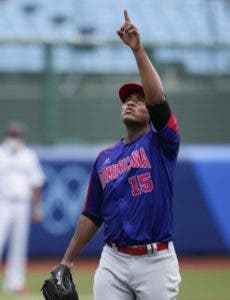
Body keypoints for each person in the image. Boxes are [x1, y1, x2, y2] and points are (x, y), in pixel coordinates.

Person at [61, 10, 181, 300]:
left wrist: (137, 49)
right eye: (127, 100)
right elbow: (91, 214)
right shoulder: (105, 157)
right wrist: (67, 260)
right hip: (113, 260)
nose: (131, 103)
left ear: (149, 111)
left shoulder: (163, 142)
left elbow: (158, 100)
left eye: (139, 100)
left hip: (156, 261)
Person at [0, 121, 45, 294]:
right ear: (7, 135)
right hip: (2, 202)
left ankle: (15, 283)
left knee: (19, 245)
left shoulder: (29, 155)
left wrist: (37, 207)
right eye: (12, 135)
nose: (14, 138)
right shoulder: (1, 153)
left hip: (22, 203)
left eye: (17, 135)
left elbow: (36, 183)